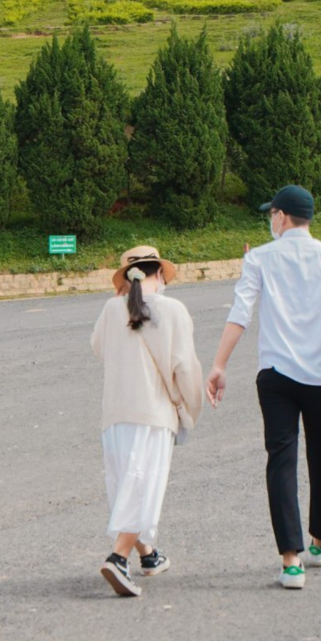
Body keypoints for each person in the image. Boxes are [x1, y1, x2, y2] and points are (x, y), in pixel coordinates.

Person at [205, 185, 321, 589]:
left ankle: (291, 562)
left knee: (281, 459)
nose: (269, 221)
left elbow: (240, 313)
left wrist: (219, 366)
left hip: (275, 376)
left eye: (270, 215)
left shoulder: (259, 257)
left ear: (280, 216)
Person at [91, 245, 203, 597]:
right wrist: (192, 408)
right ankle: (119, 557)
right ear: (159, 274)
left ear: (125, 279)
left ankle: (148, 555)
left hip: (114, 414)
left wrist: (118, 301)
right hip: (153, 414)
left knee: (126, 483)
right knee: (143, 485)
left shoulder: (111, 309)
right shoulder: (173, 310)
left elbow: (98, 347)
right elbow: (185, 367)